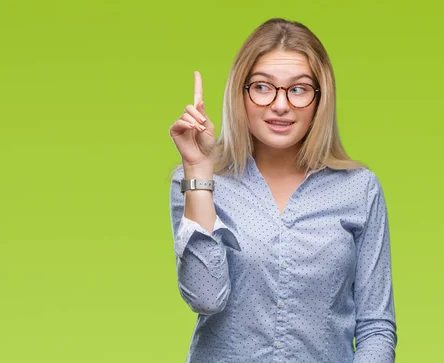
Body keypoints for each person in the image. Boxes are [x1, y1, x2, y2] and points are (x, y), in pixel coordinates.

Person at [168, 18, 397, 363]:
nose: (280, 105)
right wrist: (199, 171)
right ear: (240, 93)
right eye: (262, 87)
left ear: (321, 99)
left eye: (299, 89)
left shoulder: (360, 190)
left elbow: (376, 327)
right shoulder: (196, 180)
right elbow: (204, 298)